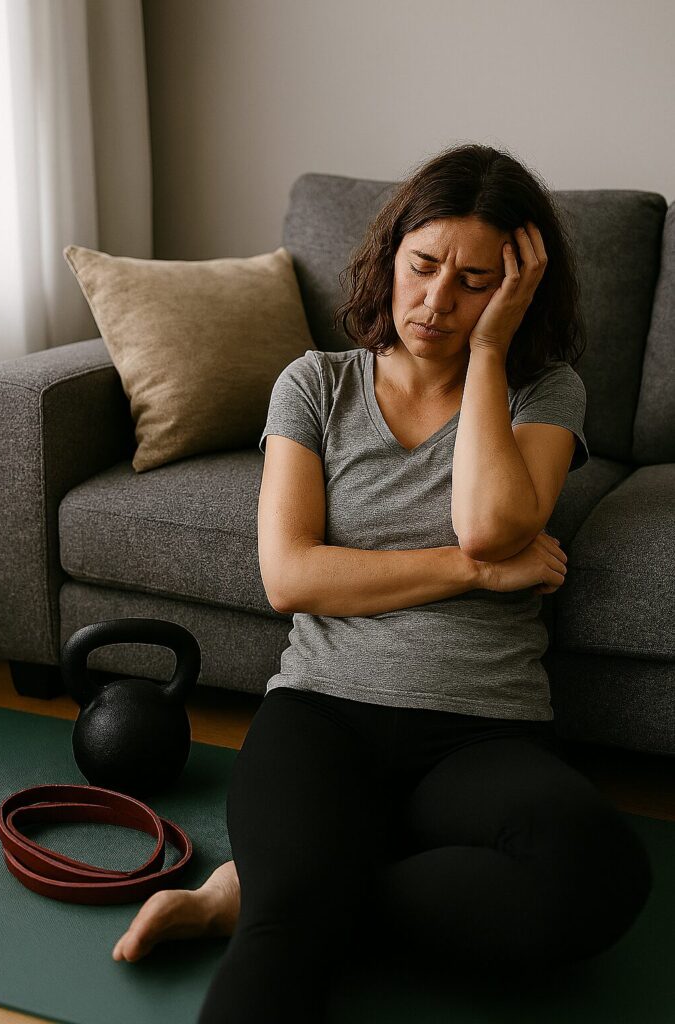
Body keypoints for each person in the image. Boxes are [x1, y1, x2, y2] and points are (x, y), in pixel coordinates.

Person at [111, 143, 653, 1022]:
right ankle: (283, 900)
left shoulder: (543, 392)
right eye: (424, 264)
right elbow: (291, 576)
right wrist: (471, 571)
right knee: (285, 944)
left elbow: (490, 520)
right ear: (387, 255)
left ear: (515, 296)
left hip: (479, 732)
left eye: (475, 281)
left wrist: (487, 357)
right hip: (323, 713)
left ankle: (252, 894)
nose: (437, 301)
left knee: (598, 876)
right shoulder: (315, 385)